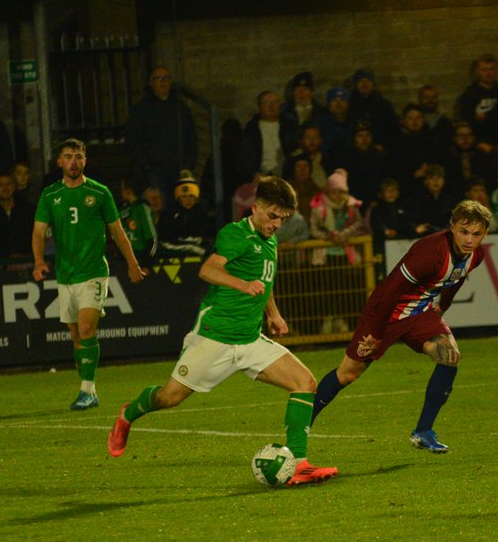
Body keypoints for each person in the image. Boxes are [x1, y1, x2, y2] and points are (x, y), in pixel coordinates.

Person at [107, 175, 338, 484]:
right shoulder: (235, 234)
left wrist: (274, 314)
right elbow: (208, 270)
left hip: (249, 339)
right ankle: (128, 414)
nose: (277, 225)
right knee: (169, 397)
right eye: (272, 216)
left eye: (282, 219)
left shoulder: (269, 240)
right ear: (255, 208)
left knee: (305, 382)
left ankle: (298, 463)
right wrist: (242, 284)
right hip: (215, 336)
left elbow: (264, 281)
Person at [311, 199, 494, 453]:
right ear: (452, 227)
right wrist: (376, 333)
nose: (469, 240)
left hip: (420, 313)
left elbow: (457, 278)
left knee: (450, 355)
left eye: (476, 234)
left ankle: (423, 432)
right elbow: (391, 291)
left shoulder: (476, 255)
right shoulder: (429, 251)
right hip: (386, 311)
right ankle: (301, 425)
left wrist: (443, 306)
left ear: (485, 234)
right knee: (348, 373)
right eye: (464, 231)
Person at [33, 138, 147, 411]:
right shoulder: (50, 194)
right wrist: (38, 262)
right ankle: (88, 389)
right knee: (76, 336)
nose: (73, 162)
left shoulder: (99, 192)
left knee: (86, 329)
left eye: (78, 157)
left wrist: (132, 264)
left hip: (94, 271)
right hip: (65, 274)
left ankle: (87, 390)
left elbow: (117, 231)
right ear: (59, 161)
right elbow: (38, 231)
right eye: (68, 156)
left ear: (85, 160)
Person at [125, 66, 198, 203]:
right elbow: (133, 139)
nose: (163, 82)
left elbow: (191, 136)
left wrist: (189, 163)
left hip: (179, 167)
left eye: (166, 78)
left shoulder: (180, 108)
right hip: (155, 169)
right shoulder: (141, 110)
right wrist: (145, 165)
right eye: (158, 78)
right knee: (160, 205)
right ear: (151, 83)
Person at [455, 54, 498, 150]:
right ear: (477, 71)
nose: (488, 73)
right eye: (484, 69)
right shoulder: (469, 95)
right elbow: (465, 121)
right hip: (478, 144)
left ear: (496, 70)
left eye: (491, 69)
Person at [239, 90, 297, 178]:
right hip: (262, 176)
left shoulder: (289, 127)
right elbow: (246, 158)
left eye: (275, 102)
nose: (271, 106)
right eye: (266, 103)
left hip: (287, 175)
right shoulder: (251, 131)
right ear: (260, 107)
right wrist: (254, 174)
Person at [0, 172, 34, 258]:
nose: (5, 188)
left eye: (8, 184)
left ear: (14, 186)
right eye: (0, 185)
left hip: (26, 258)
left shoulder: (28, 209)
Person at [346, 68, 399, 150]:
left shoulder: (385, 105)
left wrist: (384, 145)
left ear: (373, 83)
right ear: (356, 84)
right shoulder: (349, 106)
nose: (364, 84)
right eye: (360, 81)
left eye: (368, 81)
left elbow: (392, 129)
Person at [117, 174, 159, 260]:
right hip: (123, 258)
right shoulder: (122, 210)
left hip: (140, 258)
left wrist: (146, 262)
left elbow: (152, 238)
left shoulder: (143, 208)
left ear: (129, 190)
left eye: (122, 188)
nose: (120, 191)